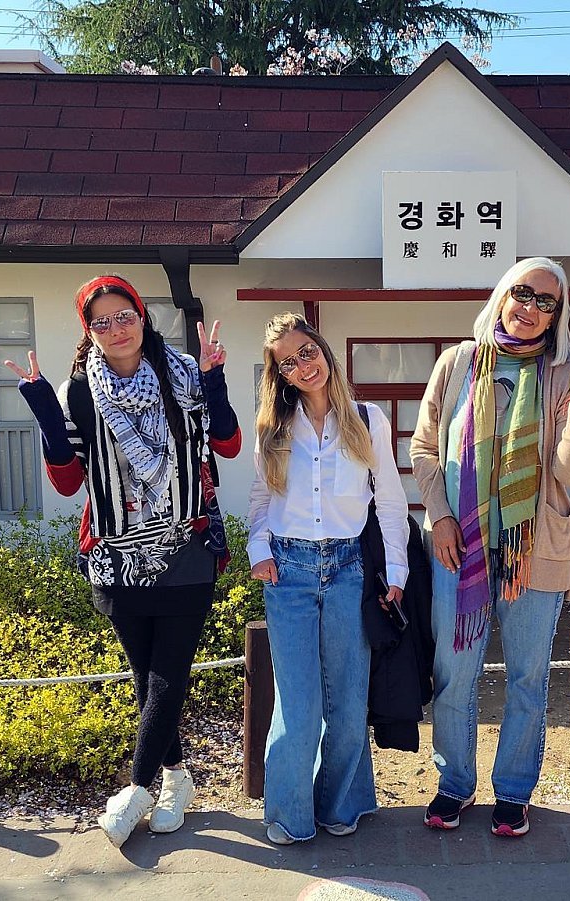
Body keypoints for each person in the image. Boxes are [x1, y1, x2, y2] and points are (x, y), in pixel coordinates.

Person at [3, 275, 240, 847]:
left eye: (124, 315)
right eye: (101, 322)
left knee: (168, 674)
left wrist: (214, 379)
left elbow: (228, 443)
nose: (115, 329)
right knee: (145, 677)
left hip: (185, 545)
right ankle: (177, 779)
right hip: (116, 553)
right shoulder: (79, 391)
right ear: (88, 331)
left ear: (142, 315)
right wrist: (45, 410)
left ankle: (136, 789)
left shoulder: (185, 373)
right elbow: (68, 481)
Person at [409, 257, 570, 837]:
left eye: (546, 302)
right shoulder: (457, 364)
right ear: (502, 295)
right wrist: (441, 516)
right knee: (454, 675)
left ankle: (513, 792)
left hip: (535, 551)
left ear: (557, 315)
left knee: (527, 679)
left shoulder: (563, 376)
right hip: (459, 549)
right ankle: (454, 784)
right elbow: (424, 448)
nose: (530, 308)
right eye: (523, 293)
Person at [246, 312, 410, 846]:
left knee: (347, 699)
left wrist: (397, 570)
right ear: (280, 374)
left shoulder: (367, 419)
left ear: (323, 350)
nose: (303, 365)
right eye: (288, 362)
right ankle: (289, 815)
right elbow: (260, 499)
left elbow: (389, 501)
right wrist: (258, 550)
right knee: (298, 704)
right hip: (288, 571)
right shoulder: (273, 427)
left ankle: (341, 804)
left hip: (348, 570)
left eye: (307, 352)